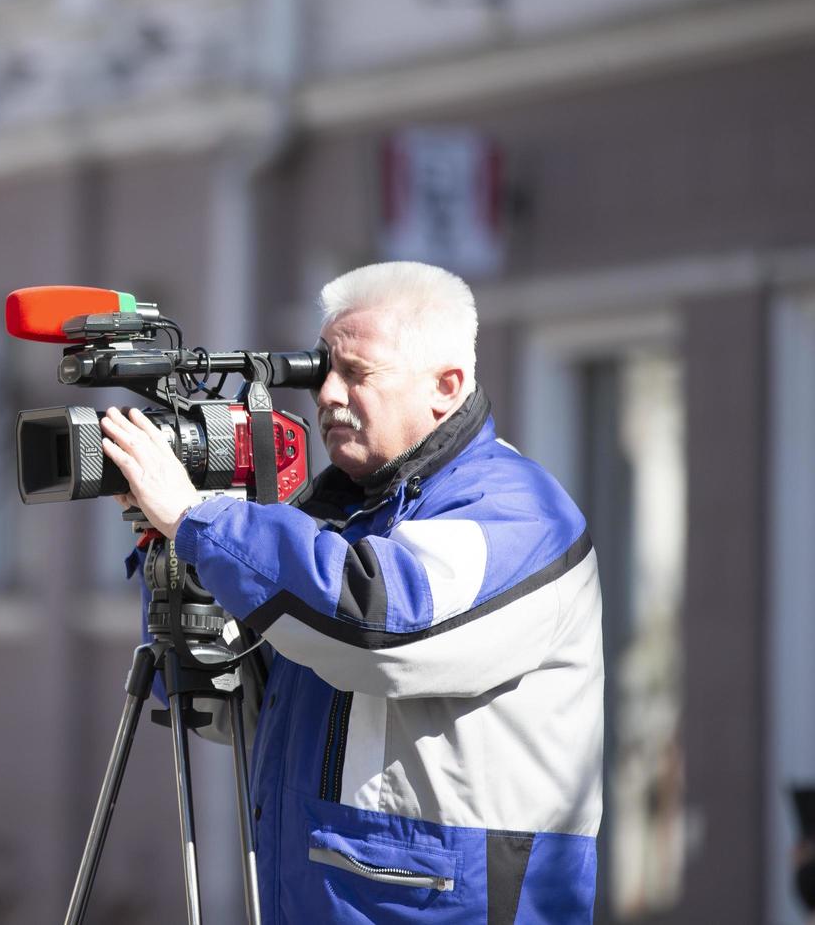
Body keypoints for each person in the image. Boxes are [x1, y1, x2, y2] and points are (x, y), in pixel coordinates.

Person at [100, 261, 603, 923]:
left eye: (357, 374)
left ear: (447, 386)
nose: (328, 394)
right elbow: (233, 711)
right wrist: (173, 551)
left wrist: (202, 520)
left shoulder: (521, 512)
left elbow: (380, 624)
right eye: (321, 370)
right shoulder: (339, 515)